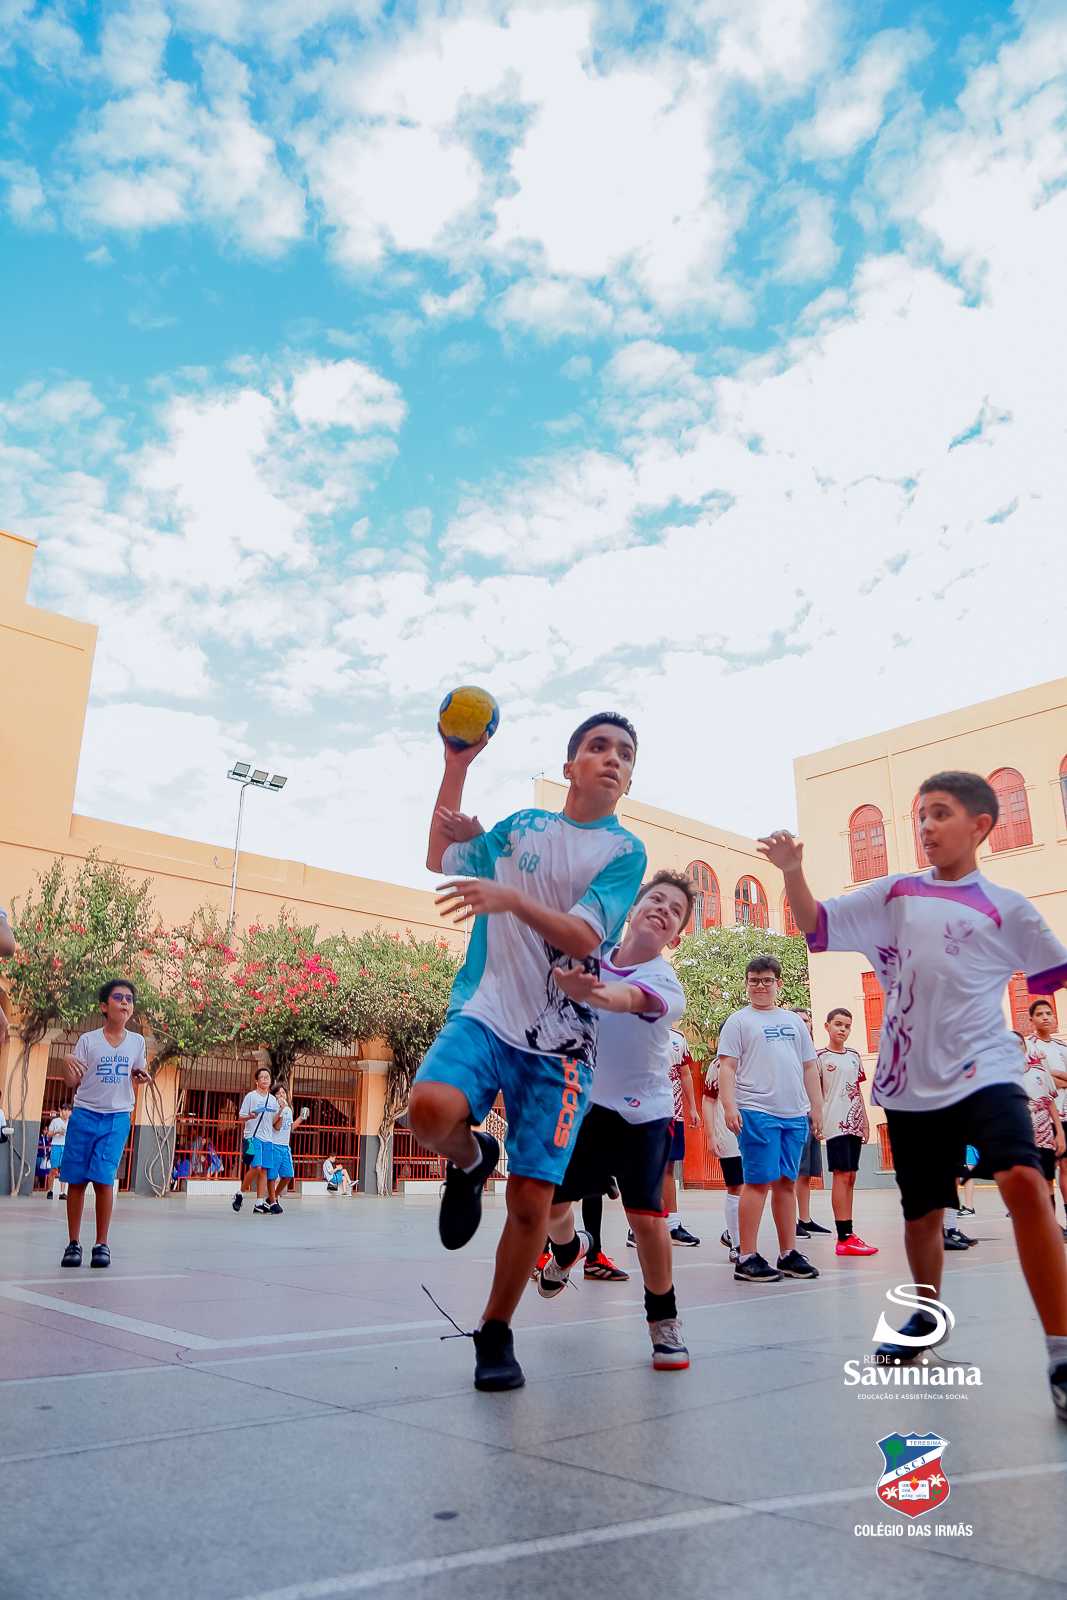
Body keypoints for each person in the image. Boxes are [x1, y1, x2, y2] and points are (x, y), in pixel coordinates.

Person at [760, 769, 1067, 1421]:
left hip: (987, 1068)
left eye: (940, 813)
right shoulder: (895, 892)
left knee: (1021, 1180)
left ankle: (1061, 1349)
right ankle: (924, 1319)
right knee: (922, 1213)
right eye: (920, 815)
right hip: (908, 1080)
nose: (926, 826)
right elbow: (815, 925)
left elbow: (1053, 972)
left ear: (980, 826)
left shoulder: (1008, 907)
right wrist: (791, 871)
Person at [410, 711, 647, 1392]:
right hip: (485, 1009)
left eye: (624, 753)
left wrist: (511, 897)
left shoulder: (624, 852)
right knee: (428, 1110)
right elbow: (440, 856)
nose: (611, 758)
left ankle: (495, 1330)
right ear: (570, 767)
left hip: (561, 1043)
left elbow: (582, 938)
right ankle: (470, 1157)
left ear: (629, 779)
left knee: (530, 1200)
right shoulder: (520, 828)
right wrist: (456, 765)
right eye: (597, 747)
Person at [536, 870, 694, 1369]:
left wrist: (591, 992)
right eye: (656, 899)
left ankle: (664, 1321)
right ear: (634, 908)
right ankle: (568, 1250)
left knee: (646, 1217)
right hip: (586, 1105)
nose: (663, 910)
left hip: (643, 1113)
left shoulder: (664, 981)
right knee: (549, 1205)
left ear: (676, 935)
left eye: (675, 911)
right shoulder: (590, 955)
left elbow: (629, 999)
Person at [717, 957, 823, 1284]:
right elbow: (727, 1067)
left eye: (766, 980)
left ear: (778, 983)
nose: (760, 986)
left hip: (794, 1113)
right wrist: (730, 1106)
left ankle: (788, 1253)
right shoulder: (738, 1021)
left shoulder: (793, 1022)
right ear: (746, 983)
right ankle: (746, 1256)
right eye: (754, 980)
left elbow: (809, 1066)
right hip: (756, 1110)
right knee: (758, 1182)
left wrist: (817, 1108)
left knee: (787, 1182)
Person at [59, 979, 150, 1269]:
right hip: (84, 1114)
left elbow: (138, 1072)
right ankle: (73, 1243)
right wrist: (66, 1061)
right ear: (103, 1006)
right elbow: (71, 1081)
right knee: (76, 1180)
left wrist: (141, 1077)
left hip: (117, 1117)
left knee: (103, 1179)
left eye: (129, 999)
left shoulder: (137, 1042)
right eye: (118, 997)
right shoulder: (88, 1041)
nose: (125, 1002)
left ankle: (101, 1244)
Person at [817, 1009, 877, 1256]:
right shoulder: (819, 1058)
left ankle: (849, 1233)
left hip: (854, 1122)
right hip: (834, 1123)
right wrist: (816, 1120)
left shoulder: (854, 1056)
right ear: (827, 1026)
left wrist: (865, 1121)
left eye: (847, 1026)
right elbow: (814, 1092)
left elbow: (856, 1090)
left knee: (851, 1176)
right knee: (841, 1176)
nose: (842, 1029)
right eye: (838, 1024)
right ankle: (842, 1237)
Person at [1027, 999, 1067, 1236]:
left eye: (1048, 1013)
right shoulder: (1029, 1047)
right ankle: (1049, 1223)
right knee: (1046, 1172)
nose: (1045, 1017)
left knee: (1066, 1167)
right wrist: (1058, 1078)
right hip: (1043, 1119)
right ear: (1031, 1019)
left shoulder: (1062, 1047)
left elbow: (1054, 1079)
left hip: (1065, 1113)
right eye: (1039, 1014)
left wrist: (1057, 1074)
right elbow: (1041, 1080)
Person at [791, 1006, 831, 1240]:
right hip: (793, 1114)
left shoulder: (813, 1054)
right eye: (800, 1019)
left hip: (810, 1113)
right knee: (793, 1171)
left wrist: (818, 1112)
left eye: (807, 1020)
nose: (805, 1023)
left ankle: (804, 1219)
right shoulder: (787, 1050)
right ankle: (790, 1222)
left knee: (806, 1171)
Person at [703, 1057, 742, 1262]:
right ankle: (737, 1243)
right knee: (736, 1186)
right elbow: (708, 1100)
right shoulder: (718, 1065)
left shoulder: (757, 1057)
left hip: (757, 1132)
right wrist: (711, 1135)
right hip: (729, 1135)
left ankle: (734, 1233)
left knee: (754, 1188)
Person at [1020, 1030, 1066, 1203]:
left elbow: (1050, 1101)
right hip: (1020, 1137)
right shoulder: (1002, 1077)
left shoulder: (1039, 1071)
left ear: (1025, 1047)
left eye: (1019, 1044)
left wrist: (1059, 1133)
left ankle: (1050, 1220)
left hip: (1044, 1135)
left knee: (1047, 1181)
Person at [232, 1065, 280, 1216]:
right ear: (256, 1081)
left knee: (264, 1169)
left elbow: (274, 1123)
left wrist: (280, 1111)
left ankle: (259, 1202)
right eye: (262, 1077)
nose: (265, 1080)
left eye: (267, 1077)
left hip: (268, 1138)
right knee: (257, 1167)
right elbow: (241, 1116)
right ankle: (240, 1192)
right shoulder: (251, 1096)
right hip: (252, 1137)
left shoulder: (273, 1100)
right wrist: (250, 1116)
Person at [272, 1086, 309, 1204]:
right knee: (272, 1177)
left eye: (283, 1092)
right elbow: (277, 1127)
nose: (281, 1095)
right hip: (274, 1145)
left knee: (288, 1175)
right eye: (278, 1093)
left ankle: (273, 1196)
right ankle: (273, 1200)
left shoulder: (288, 1109)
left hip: (285, 1147)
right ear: (274, 1096)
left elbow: (290, 1127)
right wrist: (281, 1110)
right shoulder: (273, 1108)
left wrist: (301, 1117)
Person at [46, 1105, 71, 1200]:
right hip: (56, 1145)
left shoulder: (71, 1123)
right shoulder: (55, 1121)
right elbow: (49, 1134)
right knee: (54, 1169)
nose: (66, 1112)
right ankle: (50, 1190)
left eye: (68, 1110)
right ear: (61, 1111)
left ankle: (62, 1192)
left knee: (64, 1169)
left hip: (66, 1147)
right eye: (65, 1110)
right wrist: (57, 1132)